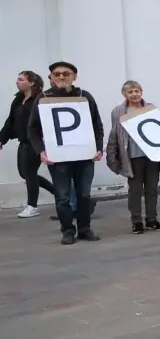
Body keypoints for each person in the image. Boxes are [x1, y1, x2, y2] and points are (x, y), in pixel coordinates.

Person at [28, 61, 103, 244]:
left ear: (74, 77)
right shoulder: (43, 98)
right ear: (51, 78)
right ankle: (67, 230)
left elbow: (96, 125)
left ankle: (84, 229)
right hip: (58, 157)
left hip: (84, 155)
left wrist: (99, 148)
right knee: (62, 197)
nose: (61, 77)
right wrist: (41, 151)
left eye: (66, 73)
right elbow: (32, 129)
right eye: (57, 74)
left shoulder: (84, 96)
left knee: (84, 195)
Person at [105, 80, 160, 234]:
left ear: (141, 92)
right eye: (130, 92)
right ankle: (137, 221)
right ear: (124, 94)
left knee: (152, 189)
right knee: (135, 190)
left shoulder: (150, 108)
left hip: (152, 156)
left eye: (137, 91)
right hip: (132, 157)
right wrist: (112, 156)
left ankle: (152, 219)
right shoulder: (119, 111)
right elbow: (114, 134)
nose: (134, 94)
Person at [1, 70, 55, 218]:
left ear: (31, 82)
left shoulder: (40, 99)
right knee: (24, 173)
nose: (17, 82)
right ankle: (58, 193)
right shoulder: (18, 99)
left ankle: (32, 206)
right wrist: (2, 139)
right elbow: (10, 121)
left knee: (29, 173)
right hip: (24, 140)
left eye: (21, 79)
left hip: (36, 141)